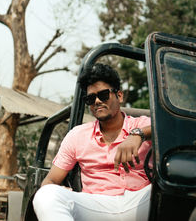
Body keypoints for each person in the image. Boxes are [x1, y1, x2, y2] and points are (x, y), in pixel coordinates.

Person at [33, 63, 152, 221]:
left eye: (103, 95)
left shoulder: (143, 125)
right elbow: (51, 180)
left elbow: (177, 128)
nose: (96, 101)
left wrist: (139, 135)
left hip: (140, 201)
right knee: (45, 194)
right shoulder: (77, 135)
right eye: (90, 98)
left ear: (119, 96)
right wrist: (61, 190)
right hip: (96, 205)